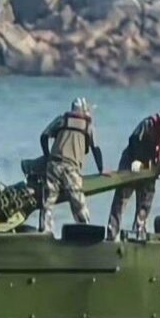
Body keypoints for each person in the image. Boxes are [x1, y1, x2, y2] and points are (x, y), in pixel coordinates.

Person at [107, 106, 160, 239]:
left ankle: (139, 233)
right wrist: (137, 159)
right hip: (132, 161)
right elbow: (134, 140)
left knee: (145, 201)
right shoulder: (149, 124)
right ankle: (111, 233)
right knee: (122, 198)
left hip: (152, 166)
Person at [39, 97, 104, 233]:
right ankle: (85, 229)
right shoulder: (87, 125)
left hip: (53, 164)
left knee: (48, 202)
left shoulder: (62, 120)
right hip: (71, 167)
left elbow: (44, 136)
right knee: (78, 201)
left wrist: (47, 156)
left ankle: (44, 231)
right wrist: (101, 169)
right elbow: (95, 148)